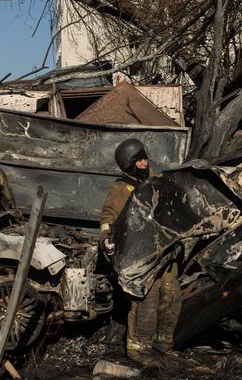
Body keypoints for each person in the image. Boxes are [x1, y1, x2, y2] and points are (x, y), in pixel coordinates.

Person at [99, 138, 181, 365]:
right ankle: (138, 350)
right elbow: (108, 217)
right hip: (142, 256)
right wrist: (107, 239)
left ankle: (163, 346)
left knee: (171, 295)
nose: (144, 162)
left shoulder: (156, 181)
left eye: (145, 157)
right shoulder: (121, 188)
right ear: (129, 164)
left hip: (165, 251)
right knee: (147, 299)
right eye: (139, 159)